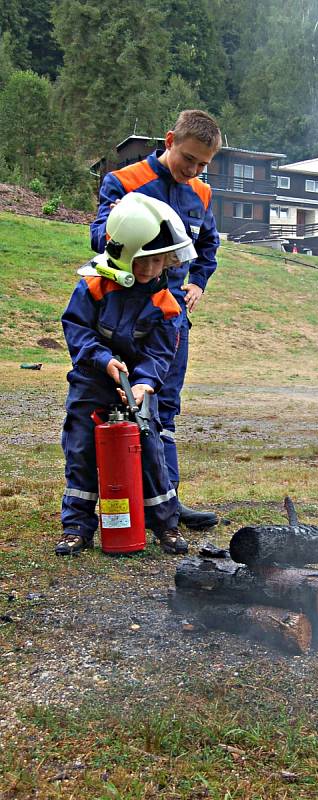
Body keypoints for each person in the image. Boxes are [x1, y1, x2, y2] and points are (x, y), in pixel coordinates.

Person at [90, 110, 222, 531]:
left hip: (171, 321)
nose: (195, 170)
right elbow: (98, 237)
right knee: (112, 405)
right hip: (122, 314)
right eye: (189, 160)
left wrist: (198, 281)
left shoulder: (200, 193)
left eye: (204, 164)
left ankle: (167, 502)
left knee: (163, 408)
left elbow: (209, 245)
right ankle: (116, 501)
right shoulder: (124, 182)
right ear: (169, 141)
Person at [56, 193, 198, 557]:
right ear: (122, 252)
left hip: (135, 385)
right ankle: (77, 527)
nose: (150, 270)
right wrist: (102, 360)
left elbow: (160, 354)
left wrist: (143, 384)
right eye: (142, 261)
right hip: (93, 379)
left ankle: (165, 526)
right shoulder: (93, 286)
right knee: (82, 445)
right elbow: (77, 329)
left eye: (159, 261)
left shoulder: (166, 304)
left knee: (149, 448)